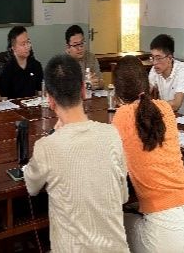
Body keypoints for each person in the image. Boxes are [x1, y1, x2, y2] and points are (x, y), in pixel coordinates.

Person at [24, 54, 129, 252]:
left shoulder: (46, 146)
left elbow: (31, 187)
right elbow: (122, 197)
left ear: (50, 100)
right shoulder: (111, 134)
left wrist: (54, 134)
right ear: (83, 89)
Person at [112, 55, 184, 253]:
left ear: (117, 94)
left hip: (167, 238)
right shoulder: (164, 108)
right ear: (147, 84)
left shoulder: (121, 116)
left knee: (111, 224)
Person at [147, 34, 184, 115]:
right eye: (152, 58)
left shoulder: (182, 70)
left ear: (170, 58)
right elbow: (145, 92)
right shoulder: (154, 69)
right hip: (167, 113)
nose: (154, 62)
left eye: (158, 58)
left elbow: (176, 104)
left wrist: (150, 106)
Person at [0, 26, 43, 99]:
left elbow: (41, 92)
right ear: (13, 48)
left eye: (28, 42)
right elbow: (4, 99)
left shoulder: (36, 65)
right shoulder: (7, 69)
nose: (27, 46)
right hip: (14, 105)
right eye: (23, 44)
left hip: (32, 104)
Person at [64, 24, 102, 88]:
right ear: (68, 47)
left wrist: (97, 82)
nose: (80, 48)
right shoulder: (62, 63)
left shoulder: (91, 57)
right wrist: (84, 85)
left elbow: (101, 82)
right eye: (75, 45)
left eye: (82, 43)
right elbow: (64, 88)